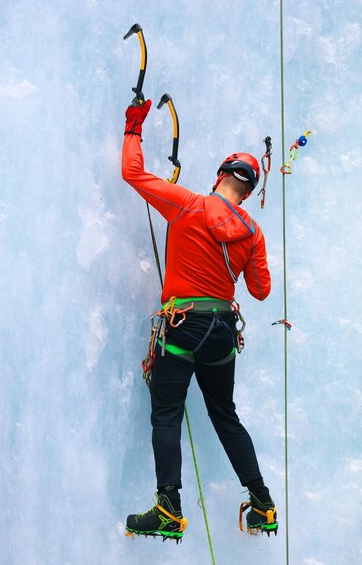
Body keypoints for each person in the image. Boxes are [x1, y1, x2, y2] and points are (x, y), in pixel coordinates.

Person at [122, 98, 277, 541]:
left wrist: (134, 128)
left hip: (183, 324)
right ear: (247, 193)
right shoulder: (252, 231)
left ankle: (169, 508)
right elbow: (261, 290)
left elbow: (133, 173)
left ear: (220, 176)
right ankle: (262, 505)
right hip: (222, 332)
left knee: (167, 411)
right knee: (224, 414)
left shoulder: (188, 204)